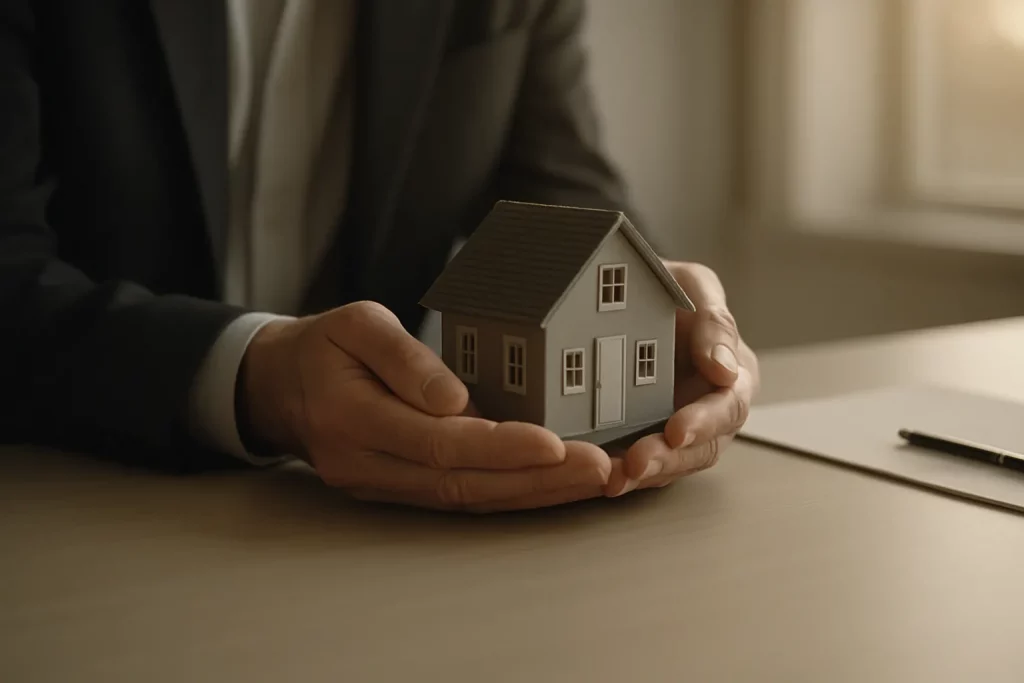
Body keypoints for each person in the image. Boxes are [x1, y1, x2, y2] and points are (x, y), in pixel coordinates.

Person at [0, 0, 758, 512]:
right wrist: (255, 379)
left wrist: (669, 313)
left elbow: (565, 196)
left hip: (374, 540)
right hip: (64, 499)